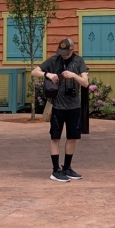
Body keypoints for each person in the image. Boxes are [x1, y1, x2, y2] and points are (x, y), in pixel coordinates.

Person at [32, 38, 88, 182]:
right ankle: (55, 170)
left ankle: (67, 168)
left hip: (74, 106)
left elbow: (85, 83)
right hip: (57, 106)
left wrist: (74, 75)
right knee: (55, 137)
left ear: (72, 50)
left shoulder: (79, 61)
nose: (63, 55)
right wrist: (47, 74)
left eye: (66, 52)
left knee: (72, 138)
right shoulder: (54, 60)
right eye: (61, 52)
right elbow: (34, 72)